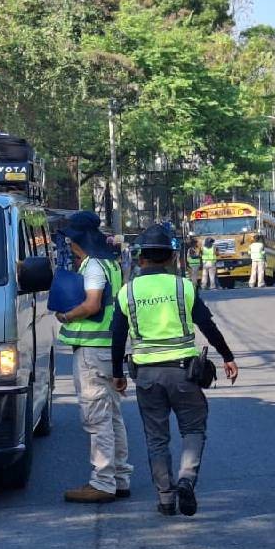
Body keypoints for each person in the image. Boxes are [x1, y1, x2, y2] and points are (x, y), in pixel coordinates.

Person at [111, 225, 239, 517]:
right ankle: (186, 479)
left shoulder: (127, 292)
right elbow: (208, 326)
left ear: (141, 258)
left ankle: (166, 499)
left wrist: (118, 373)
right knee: (193, 429)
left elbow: (117, 337)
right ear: (170, 258)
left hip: (146, 375)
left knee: (157, 438)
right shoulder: (183, 287)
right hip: (184, 373)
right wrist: (227, 357)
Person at [55, 211, 132, 504]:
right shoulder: (110, 263)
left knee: (96, 418)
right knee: (112, 416)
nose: (70, 245)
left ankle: (102, 482)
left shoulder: (94, 266)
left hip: (91, 351)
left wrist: (66, 314)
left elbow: (91, 304)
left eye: (72, 239)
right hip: (108, 348)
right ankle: (120, 478)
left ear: (80, 239)